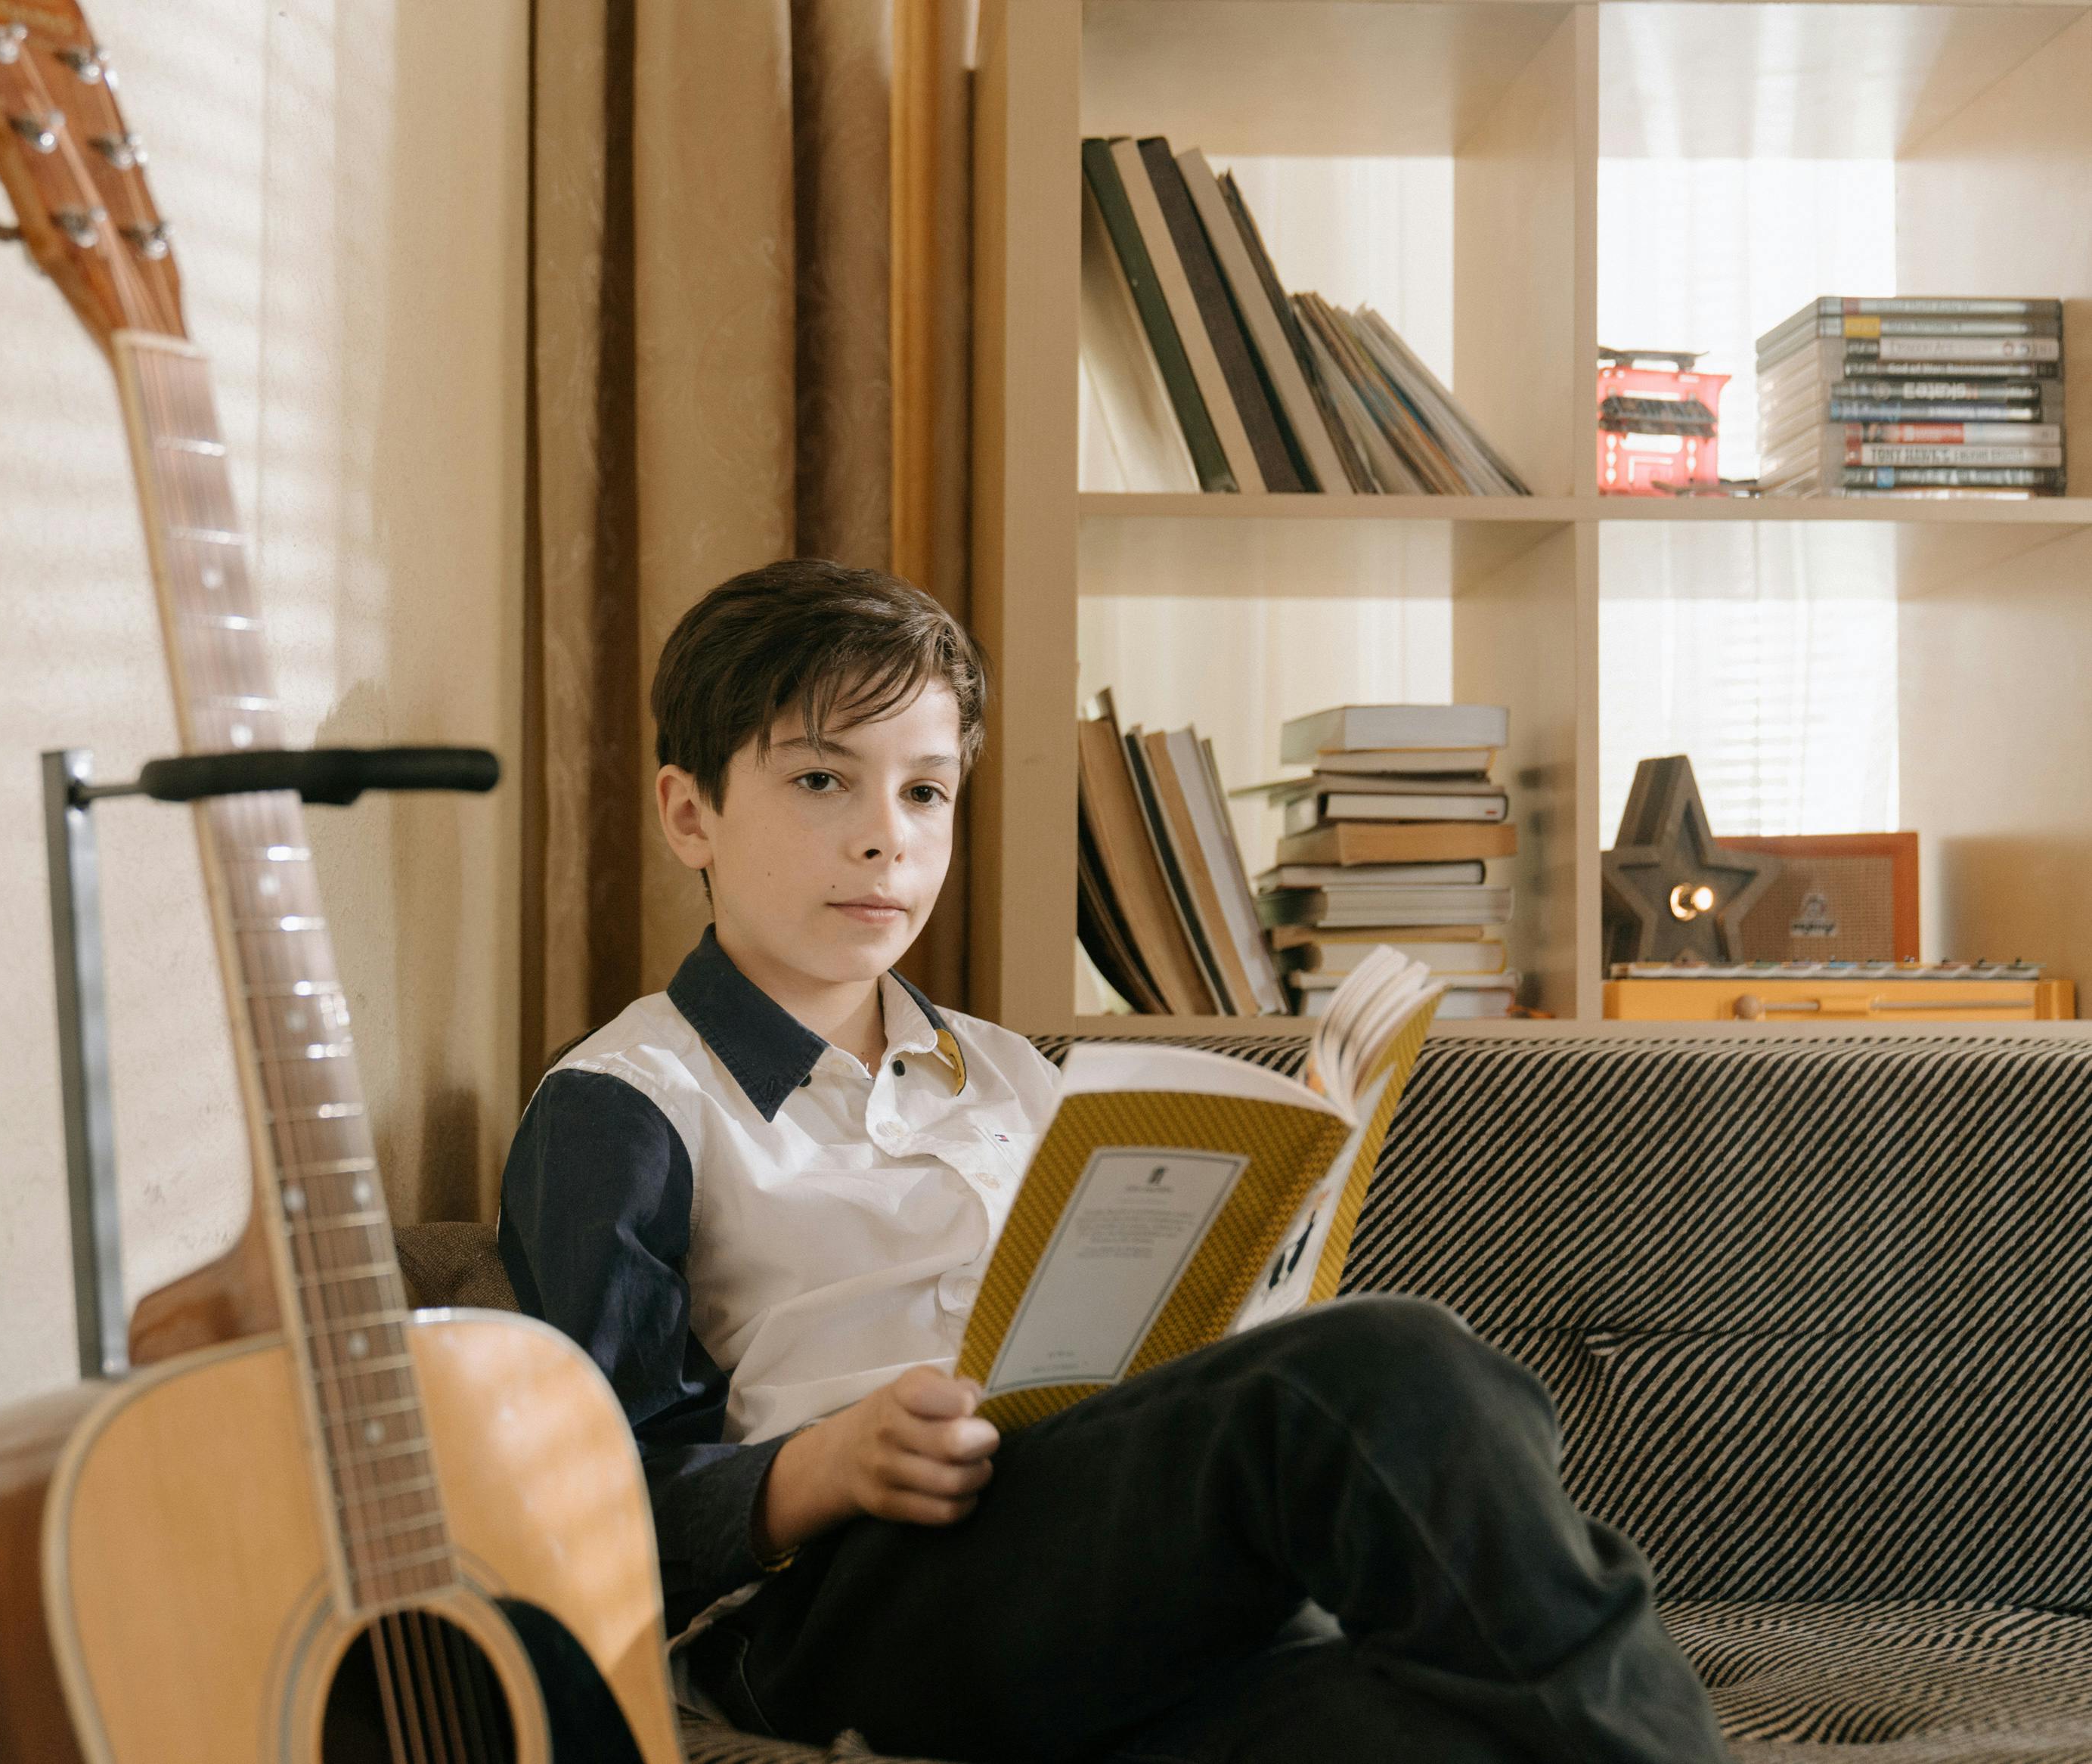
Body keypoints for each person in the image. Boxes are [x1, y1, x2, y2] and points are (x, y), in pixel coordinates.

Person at [496, 560, 1730, 1763]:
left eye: (925, 792)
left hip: (1102, 1558)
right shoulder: (627, 1102)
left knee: (1442, 1724)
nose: (886, 838)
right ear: (689, 811)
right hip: (848, 1597)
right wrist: (819, 1466)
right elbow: (581, 1501)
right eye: (824, 778)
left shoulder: (1017, 1073)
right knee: (1393, 1363)